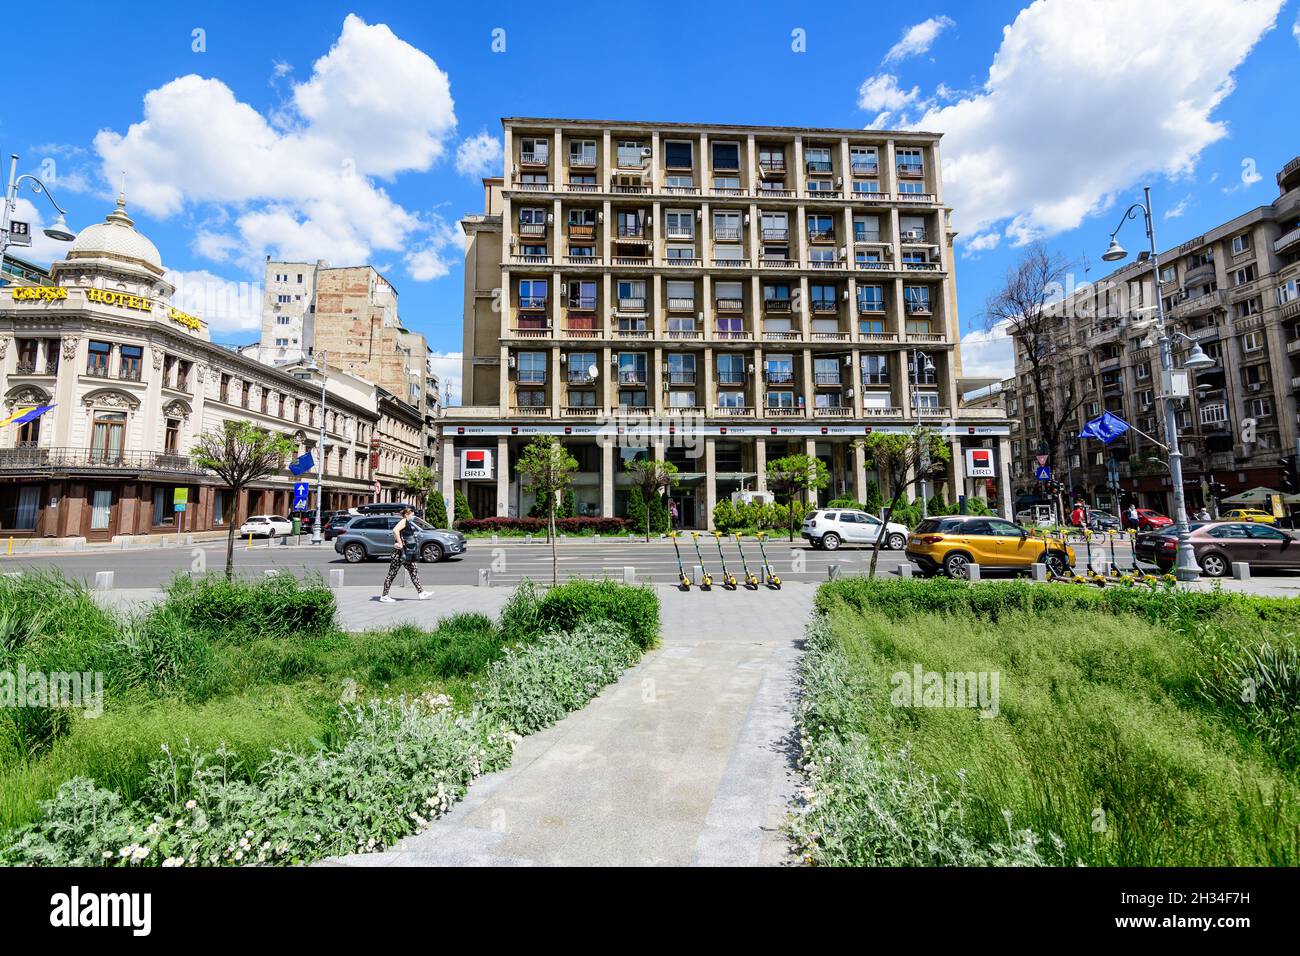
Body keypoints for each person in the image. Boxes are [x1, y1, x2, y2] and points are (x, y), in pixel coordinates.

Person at [379, 507, 431, 603]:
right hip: (399, 553)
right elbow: (395, 530)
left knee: (413, 570)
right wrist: (399, 543)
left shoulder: (407, 522)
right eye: (411, 514)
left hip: (405, 553)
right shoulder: (403, 521)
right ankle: (384, 596)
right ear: (407, 515)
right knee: (392, 574)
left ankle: (421, 592)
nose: (413, 516)